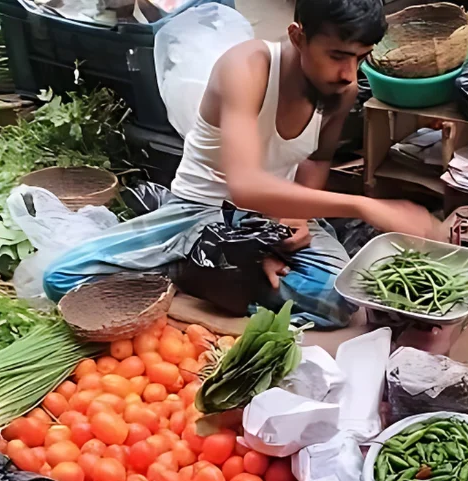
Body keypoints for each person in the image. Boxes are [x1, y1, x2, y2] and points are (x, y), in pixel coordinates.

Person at [44, 0, 436, 328]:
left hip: (275, 216)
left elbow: (317, 159)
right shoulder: (247, 67)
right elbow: (244, 186)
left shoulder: (341, 90)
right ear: (298, 36)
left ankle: (222, 272)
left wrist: (295, 220)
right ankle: (198, 268)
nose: (349, 73)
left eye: (360, 59)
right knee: (63, 278)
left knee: (339, 302)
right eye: (337, 56)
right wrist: (366, 205)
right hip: (201, 211)